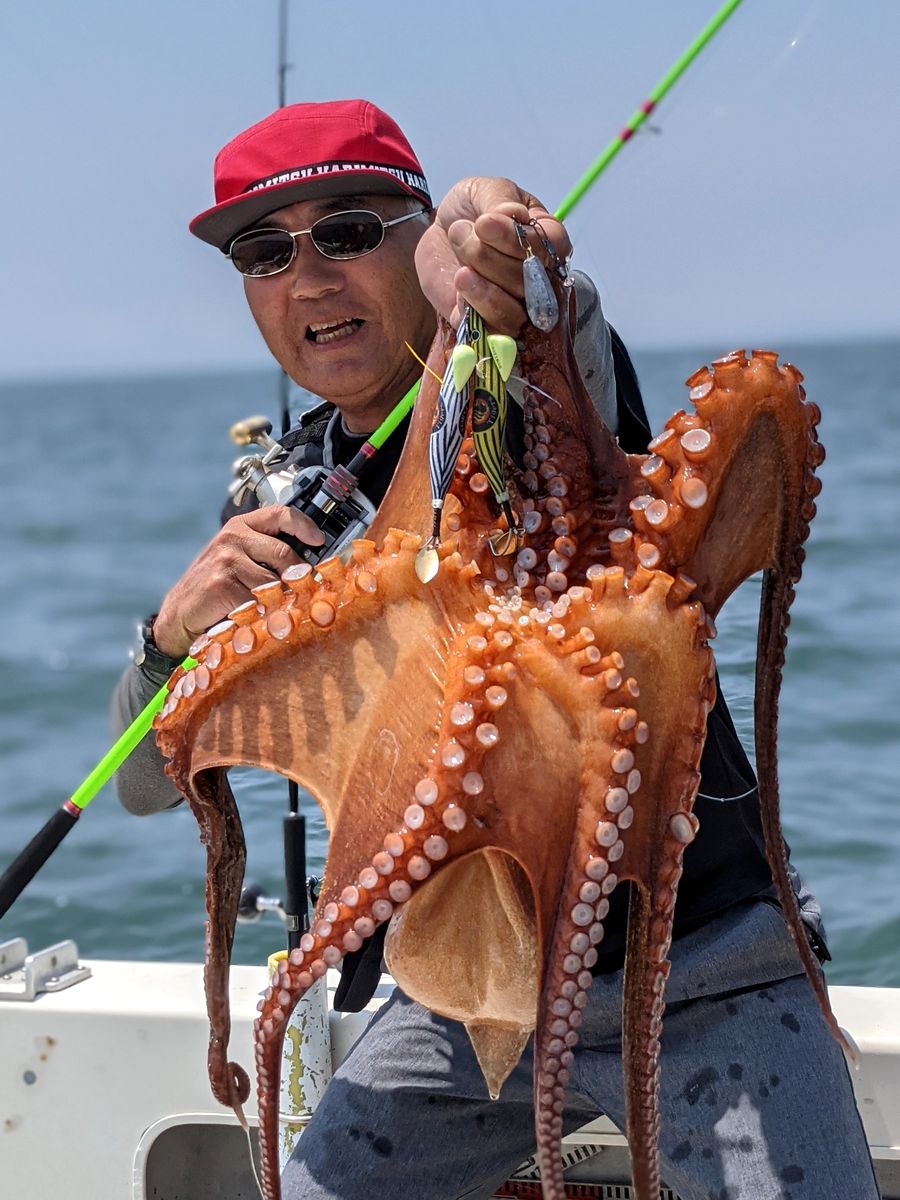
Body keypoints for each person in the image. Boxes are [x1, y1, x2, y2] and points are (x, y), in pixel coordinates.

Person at [112, 100, 879, 1200]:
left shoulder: (527, 383)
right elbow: (146, 781)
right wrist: (167, 640)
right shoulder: (287, 521)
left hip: (704, 961)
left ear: (414, 238)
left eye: (349, 231)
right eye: (265, 250)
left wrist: (495, 249)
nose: (311, 275)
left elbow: (550, 323)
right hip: (460, 1000)